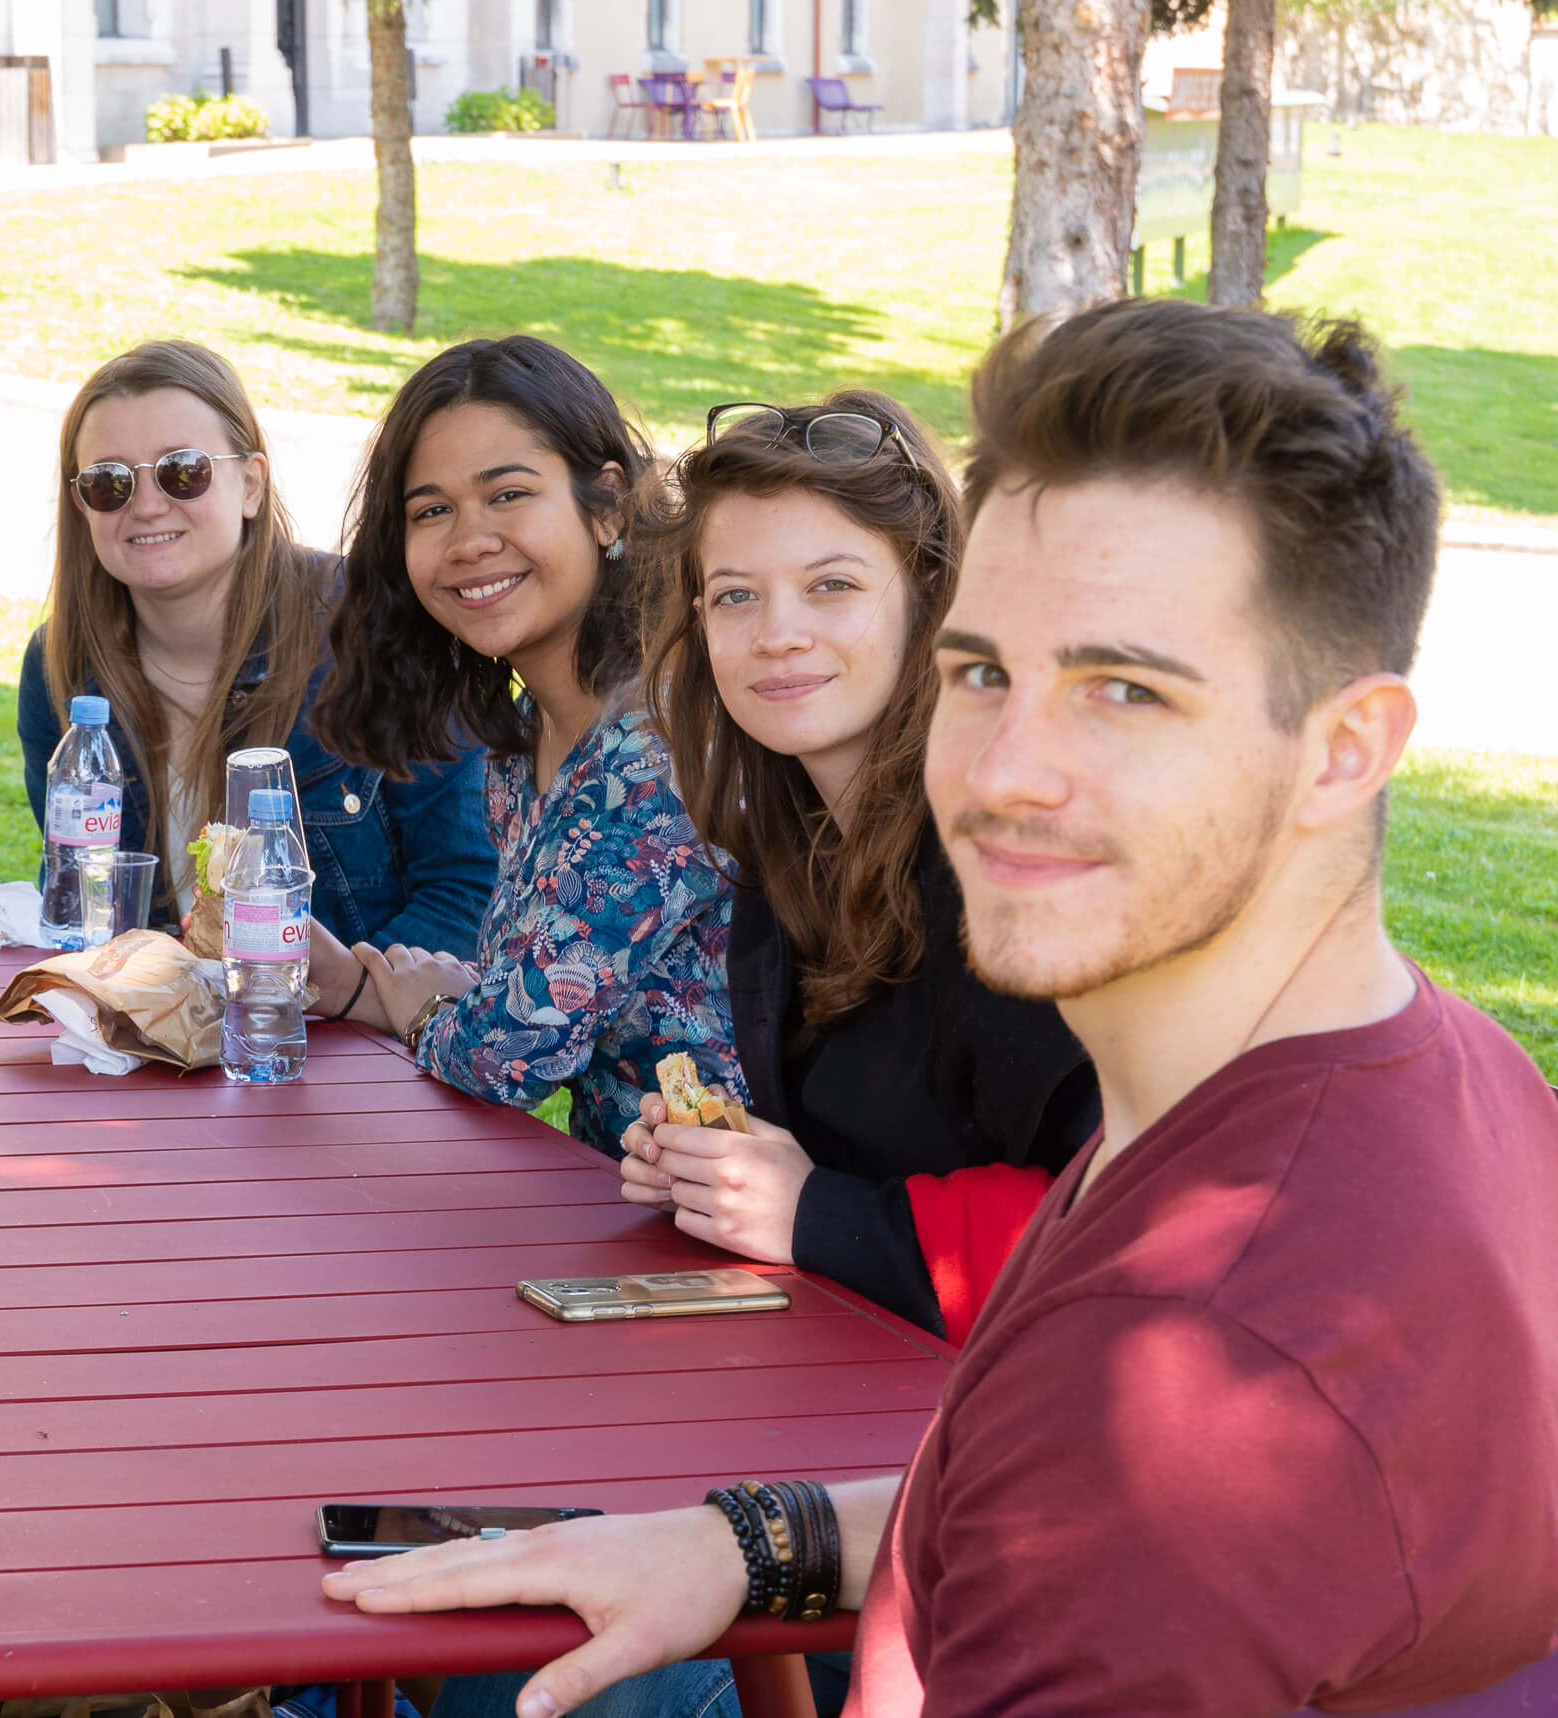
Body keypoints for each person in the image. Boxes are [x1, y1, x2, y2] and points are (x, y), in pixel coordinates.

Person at [316, 301, 1558, 1718]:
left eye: (1126, 689)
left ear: (1347, 751)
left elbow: (1105, 1520)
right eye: (981, 671)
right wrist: (758, 1540)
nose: (1002, 766)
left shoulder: (1205, 1364)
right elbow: (1023, 1483)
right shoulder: (1442, 1078)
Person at [617, 391, 1097, 1342]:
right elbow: (865, 1158)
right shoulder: (788, 852)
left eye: (831, 585)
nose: (775, 632)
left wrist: (815, 1216)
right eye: (735, 595)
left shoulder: (1004, 860)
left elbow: (1123, 1212)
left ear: (928, 597)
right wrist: (727, 1169)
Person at [307, 336, 733, 1154]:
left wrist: (422, 1007)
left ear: (607, 505)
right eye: (432, 511)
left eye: (507, 495)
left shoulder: (655, 752)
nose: (469, 541)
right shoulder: (524, 744)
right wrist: (359, 987)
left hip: (751, 1238)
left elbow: (509, 1055)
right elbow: (533, 1000)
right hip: (633, 1201)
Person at [17, 339, 496, 958]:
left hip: (355, 1042)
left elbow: (469, 892)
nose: (146, 504)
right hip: (161, 1037)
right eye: (109, 483)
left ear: (250, 484)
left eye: (182, 471)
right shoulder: (63, 669)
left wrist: (336, 1009)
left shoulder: (380, 628)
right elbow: (80, 904)